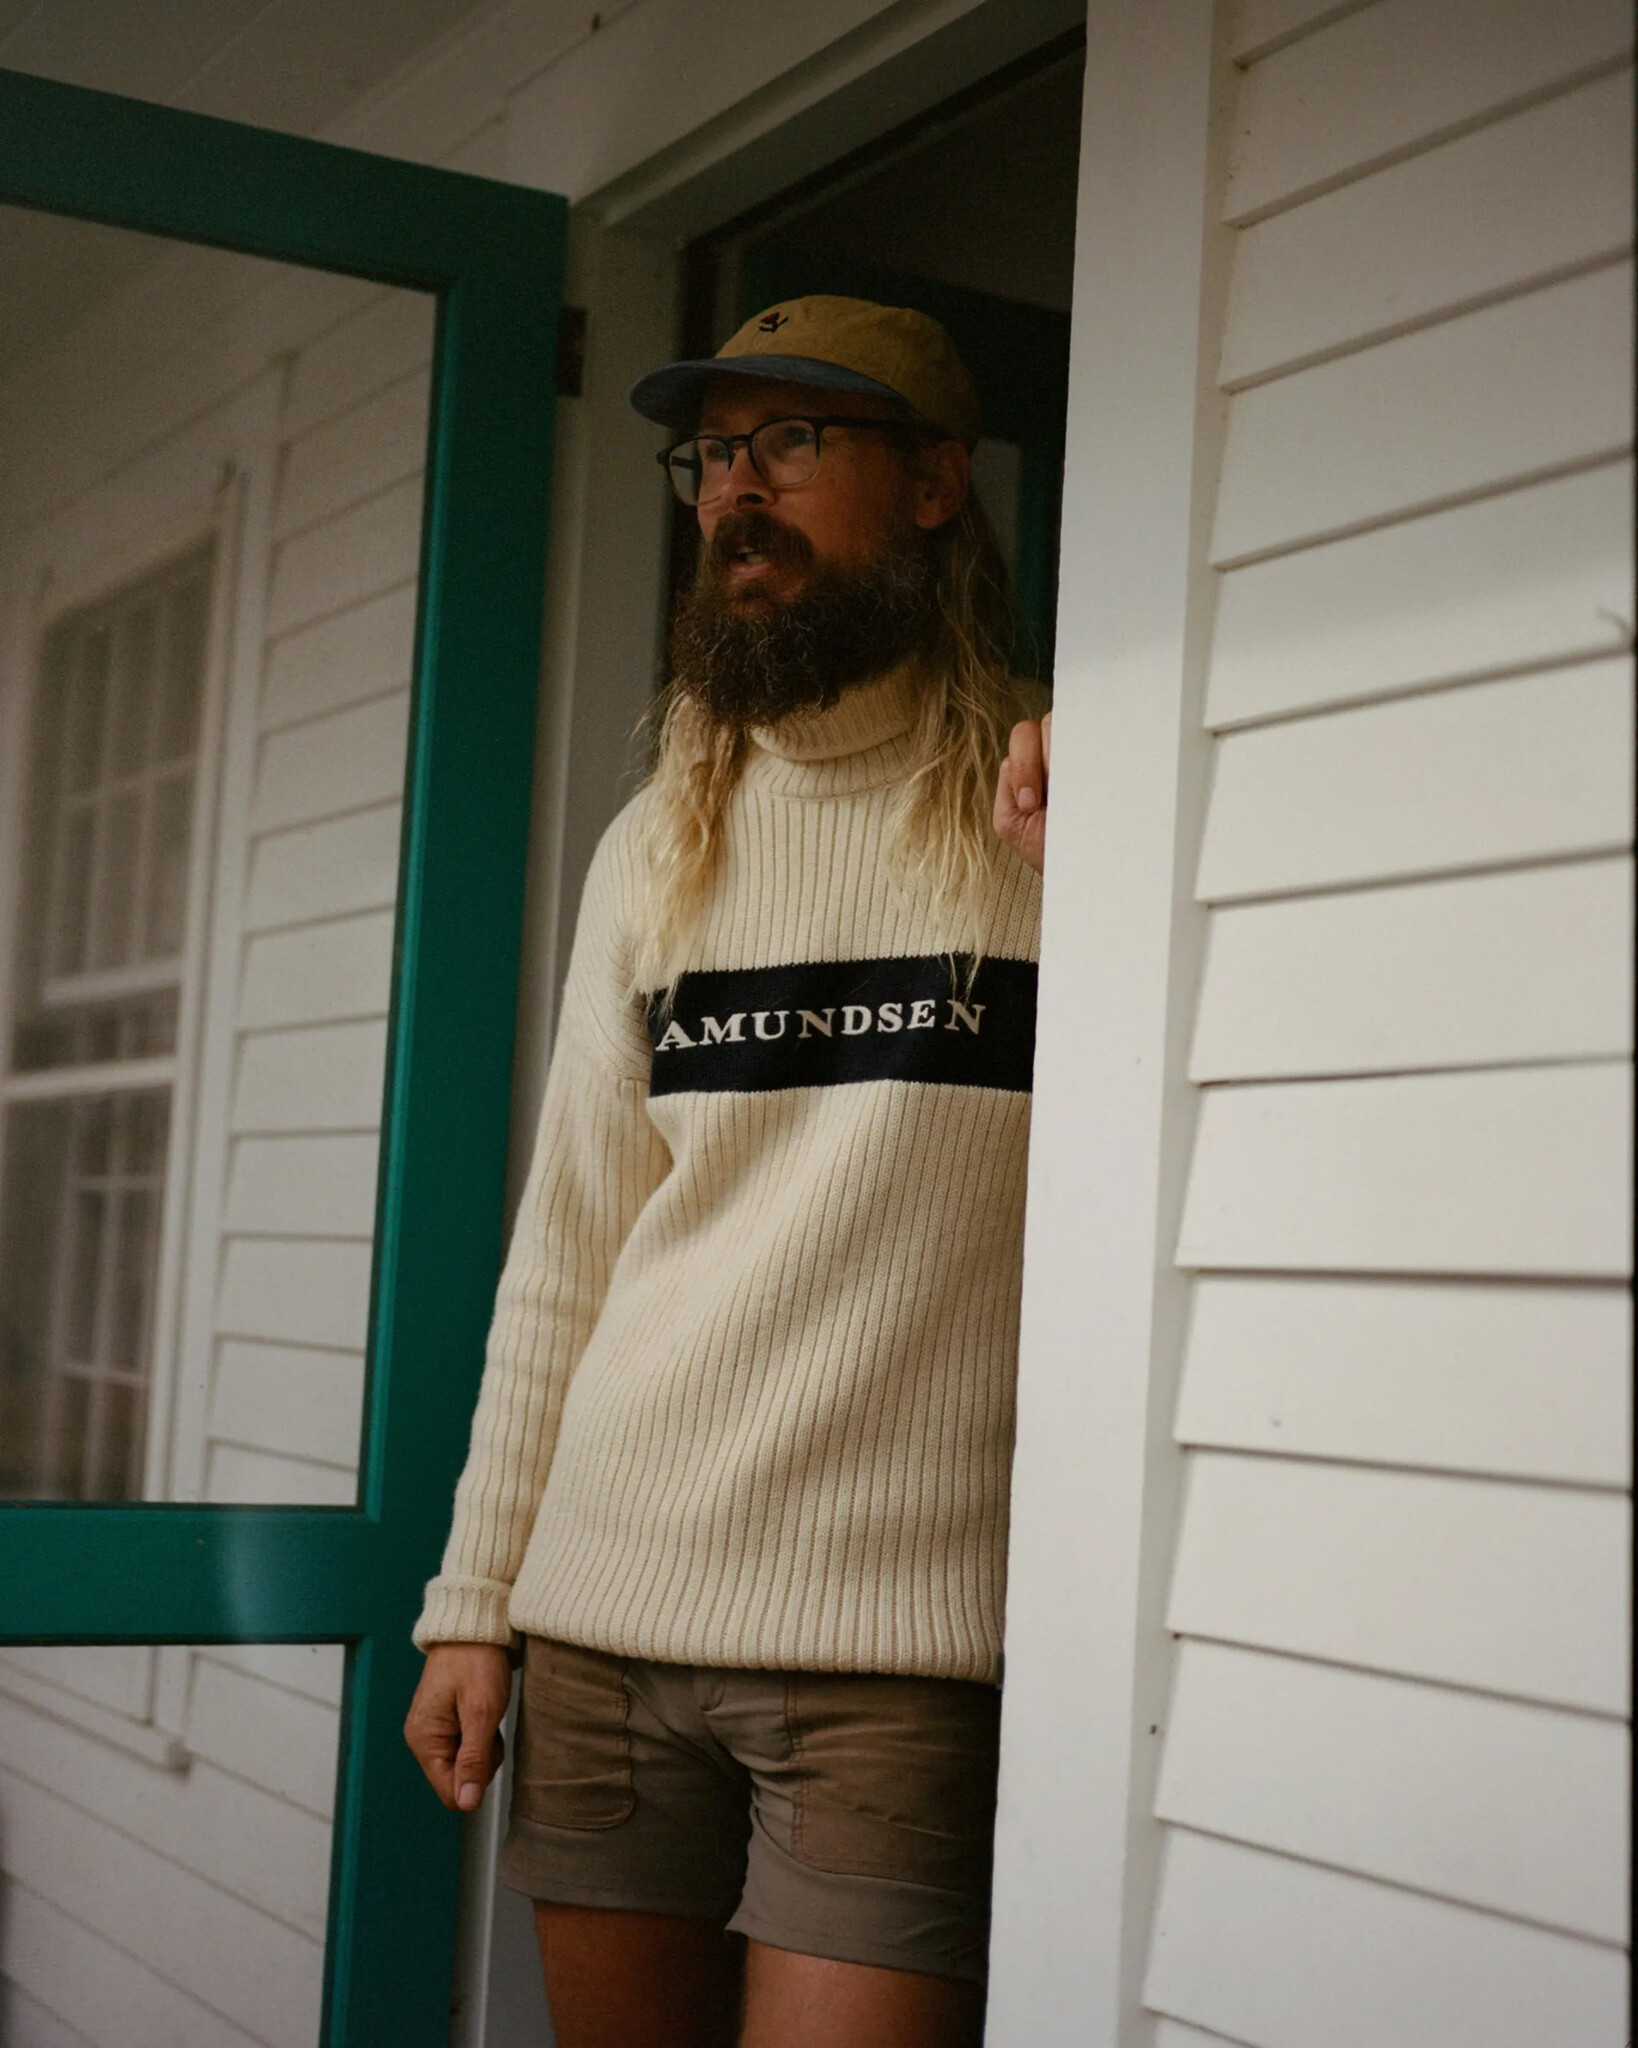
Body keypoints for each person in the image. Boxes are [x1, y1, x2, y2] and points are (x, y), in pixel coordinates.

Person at [405, 294, 1050, 2048]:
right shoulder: (657, 839)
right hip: (602, 1629)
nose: (733, 493)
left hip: (900, 1657)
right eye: (709, 456)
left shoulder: (1053, 802)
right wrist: (473, 1604)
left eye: (791, 442)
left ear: (934, 483)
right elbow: (569, 1248)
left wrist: (1115, 777)